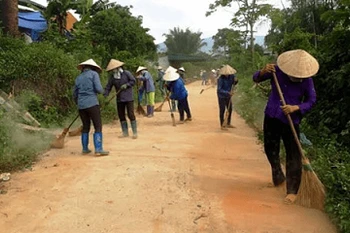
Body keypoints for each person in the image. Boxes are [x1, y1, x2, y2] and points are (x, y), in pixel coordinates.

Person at [252, 49, 319, 204]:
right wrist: (262, 72)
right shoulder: (276, 71)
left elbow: (311, 99)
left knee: (293, 154)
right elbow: (255, 78)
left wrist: (296, 107)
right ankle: (278, 176)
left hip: (291, 120)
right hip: (272, 115)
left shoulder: (307, 80)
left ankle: (292, 190)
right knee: (270, 148)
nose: (296, 76)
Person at [73, 59, 109, 156]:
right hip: (92, 103)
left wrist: (79, 103)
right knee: (97, 126)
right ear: (93, 67)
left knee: (85, 127)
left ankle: (85, 149)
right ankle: (98, 149)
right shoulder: (94, 74)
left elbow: (75, 94)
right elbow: (98, 88)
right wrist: (104, 92)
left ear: (83, 67)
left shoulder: (78, 78)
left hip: (81, 106)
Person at [104, 59, 138, 139]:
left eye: (114, 68)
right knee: (121, 115)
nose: (113, 70)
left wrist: (127, 85)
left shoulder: (126, 73)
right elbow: (108, 86)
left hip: (128, 98)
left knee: (130, 114)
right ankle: (125, 132)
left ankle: (135, 132)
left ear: (118, 67)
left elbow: (133, 81)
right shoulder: (112, 77)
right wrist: (105, 94)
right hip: (119, 99)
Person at [217, 65, 238, 130]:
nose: (227, 74)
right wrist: (227, 92)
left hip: (228, 95)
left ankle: (228, 123)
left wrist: (236, 81)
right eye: (226, 74)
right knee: (222, 110)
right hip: (221, 96)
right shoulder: (220, 79)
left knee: (230, 109)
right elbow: (219, 89)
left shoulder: (232, 76)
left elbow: (234, 83)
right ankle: (222, 124)